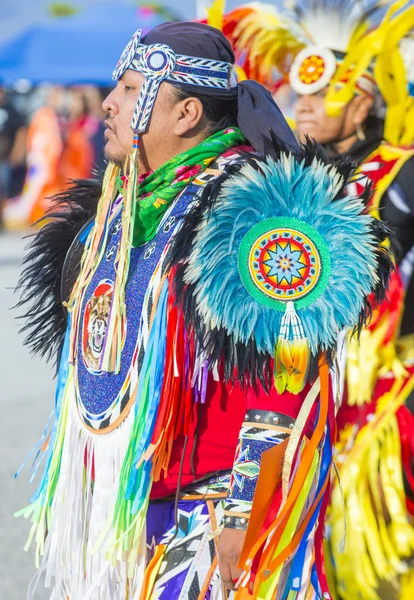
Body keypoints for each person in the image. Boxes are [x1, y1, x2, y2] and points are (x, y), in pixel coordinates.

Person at [16, 20, 390, 600]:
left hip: (207, 520)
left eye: (133, 92)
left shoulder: (254, 211)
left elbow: (284, 375)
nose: (109, 105)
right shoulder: (122, 202)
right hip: (126, 509)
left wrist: (246, 516)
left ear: (187, 114)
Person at [223, 1, 414, 598]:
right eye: (295, 91)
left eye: (322, 90)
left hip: (381, 409)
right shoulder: (284, 181)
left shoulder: (399, 175)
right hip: (298, 405)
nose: (301, 102)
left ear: (362, 100)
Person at [0, 85, 26, 229]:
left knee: (4, 190)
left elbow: (21, 131)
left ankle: (3, 219)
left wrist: (17, 152)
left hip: (4, 159)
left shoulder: (11, 110)